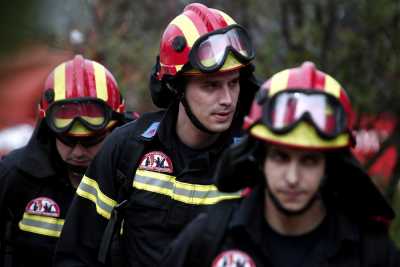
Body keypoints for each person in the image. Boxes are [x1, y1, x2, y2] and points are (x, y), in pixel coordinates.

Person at [54, 3, 259, 267]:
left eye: (233, 83)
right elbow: (75, 254)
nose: (227, 100)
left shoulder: (253, 159)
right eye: (211, 86)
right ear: (177, 87)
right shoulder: (127, 148)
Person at [160, 61, 400, 267]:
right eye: (280, 157)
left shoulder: (370, 251)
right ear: (260, 158)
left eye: (309, 160)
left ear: (328, 166)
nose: (292, 178)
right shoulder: (211, 236)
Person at [0, 54, 133, 267]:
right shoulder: (13, 175)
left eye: (90, 141)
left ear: (114, 130)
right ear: (49, 129)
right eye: (67, 140)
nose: (78, 152)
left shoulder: (139, 177)